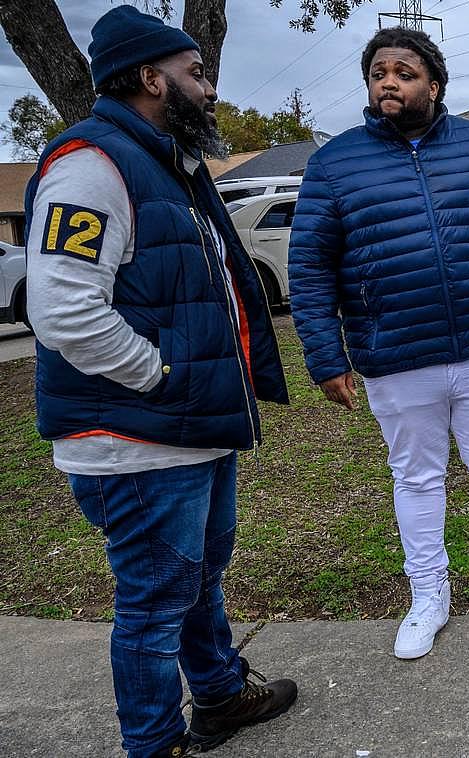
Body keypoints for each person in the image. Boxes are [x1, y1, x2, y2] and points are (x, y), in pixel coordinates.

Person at [24, 6, 296, 756]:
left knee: (197, 581)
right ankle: (152, 743)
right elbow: (63, 310)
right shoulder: (92, 164)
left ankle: (217, 696)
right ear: (151, 78)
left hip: (188, 431)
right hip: (137, 440)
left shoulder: (163, 165)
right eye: (196, 74)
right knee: (152, 604)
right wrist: (161, 376)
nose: (208, 89)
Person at [288, 27, 469, 660]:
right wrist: (325, 356)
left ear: (434, 85)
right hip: (394, 354)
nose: (389, 81)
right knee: (417, 480)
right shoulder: (334, 162)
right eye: (378, 72)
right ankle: (428, 596)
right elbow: (309, 266)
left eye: (404, 72)